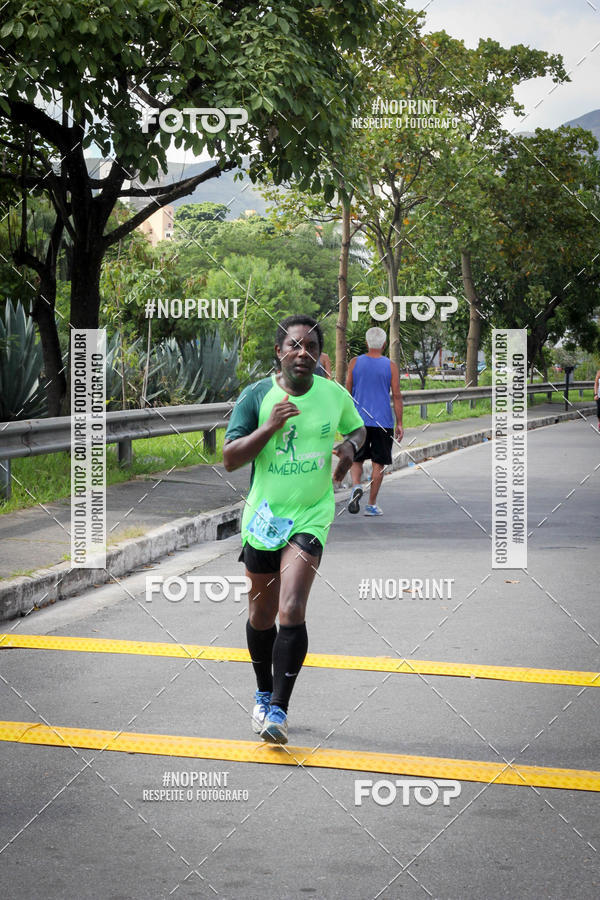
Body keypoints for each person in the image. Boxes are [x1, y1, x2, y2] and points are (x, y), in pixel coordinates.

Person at [223, 314, 366, 744]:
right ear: (279, 352)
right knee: (261, 615)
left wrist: (349, 447)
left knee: (291, 607)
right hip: (264, 517)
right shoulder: (256, 396)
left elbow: (359, 429)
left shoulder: (333, 395)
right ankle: (262, 691)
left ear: (319, 355)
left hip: (311, 514)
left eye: (310, 347)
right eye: (294, 345)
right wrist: (269, 426)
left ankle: (278, 711)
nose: (303, 353)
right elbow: (230, 459)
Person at [345, 326, 404, 516]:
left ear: (366, 343)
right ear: (384, 344)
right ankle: (371, 505)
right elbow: (397, 395)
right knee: (379, 463)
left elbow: (347, 391)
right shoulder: (391, 366)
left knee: (357, 458)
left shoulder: (354, 363)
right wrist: (400, 423)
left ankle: (356, 486)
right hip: (382, 422)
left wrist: (345, 419)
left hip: (357, 421)